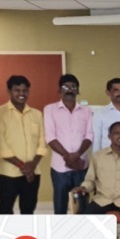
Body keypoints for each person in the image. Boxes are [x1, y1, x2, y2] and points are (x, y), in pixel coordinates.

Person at [0, 75, 48, 214]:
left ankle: (26, 229)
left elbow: (42, 142)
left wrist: (32, 166)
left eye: (25, 90)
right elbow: (2, 146)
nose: (21, 94)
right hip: (8, 173)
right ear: (9, 91)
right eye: (17, 90)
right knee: (5, 209)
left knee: (28, 209)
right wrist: (24, 167)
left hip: (33, 172)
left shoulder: (37, 114)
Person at [44, 74, 93, 215]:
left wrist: (76, 155)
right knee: (60, 207)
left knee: (82, 206)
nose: (70, 90)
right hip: (59, 167)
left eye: (73, 87)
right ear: (59, 90)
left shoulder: (87, 111)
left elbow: (89, 136)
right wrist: (68, 156)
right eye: (66, 87)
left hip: (81, 166)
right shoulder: (50, 109)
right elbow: (50, 137)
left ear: (78, 91)